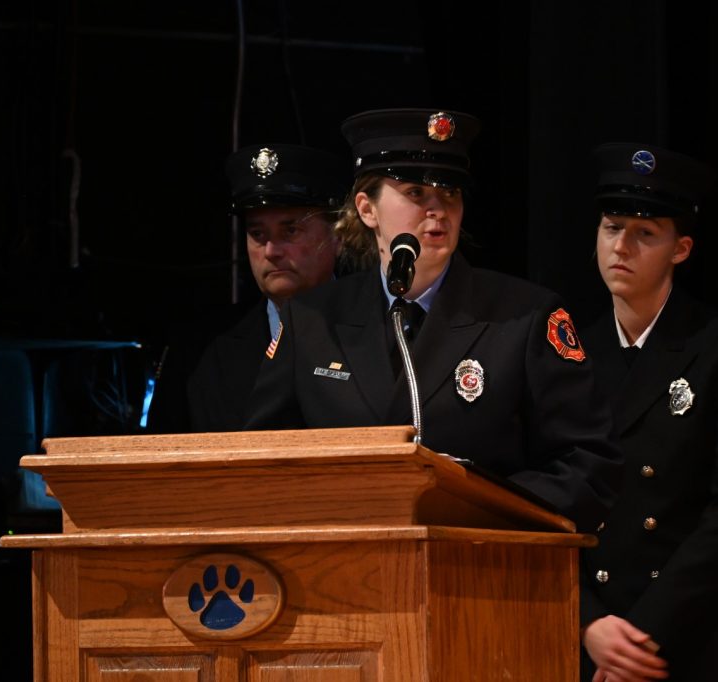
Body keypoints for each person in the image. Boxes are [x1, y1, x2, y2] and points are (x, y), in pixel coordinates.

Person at [244, 108, 623, 534]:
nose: (438, 210)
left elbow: (589, 465)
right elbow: (261, 461)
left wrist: (470, 508)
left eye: (450, 193)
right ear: (367, 209)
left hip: (479, 557)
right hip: (344, 556)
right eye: (415, 192)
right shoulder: (312, 320)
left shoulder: (526, 315)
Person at [580, 142, 718, 681]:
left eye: (645, 233)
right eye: (611, 227)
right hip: (598, 636)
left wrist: (641, 636)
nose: (621, 246)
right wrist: (589, 622)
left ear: (681, 249)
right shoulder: (571, 351)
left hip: (696, 633)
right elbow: (547, 500)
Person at [146, 143, 349, 433]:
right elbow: (159, 452)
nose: (271, 251)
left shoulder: (382, 333)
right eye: (257, 234)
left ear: (338, 236)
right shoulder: (198, 350)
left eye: (290, 231)